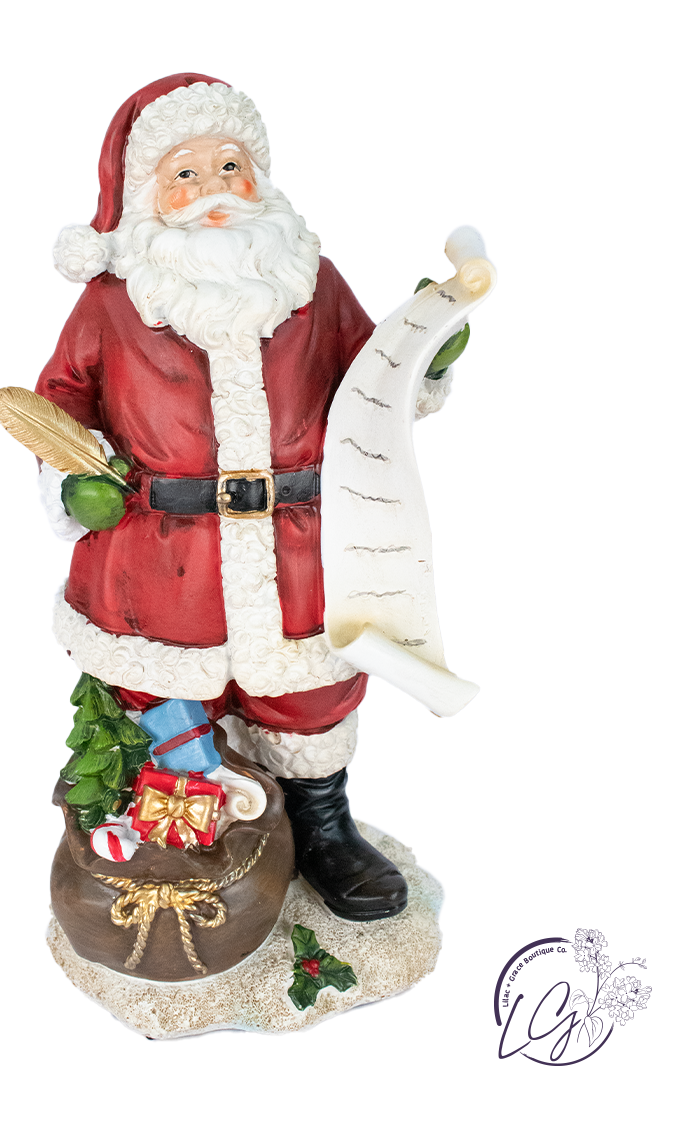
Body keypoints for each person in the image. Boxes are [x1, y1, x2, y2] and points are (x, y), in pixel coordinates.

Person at [36, 74, 453, 921]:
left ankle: (322, 828)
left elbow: (369, 383)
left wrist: (422, 354)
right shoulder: (115, 301)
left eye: (231, 165)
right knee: (164, 695)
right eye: (184, 174)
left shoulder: (312, 284)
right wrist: (76, 473)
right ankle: (190, 834)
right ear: (147, 194)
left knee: (308, 694)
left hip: (297, 543)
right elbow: (60, 397)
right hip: (161, 553)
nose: (214, 189)